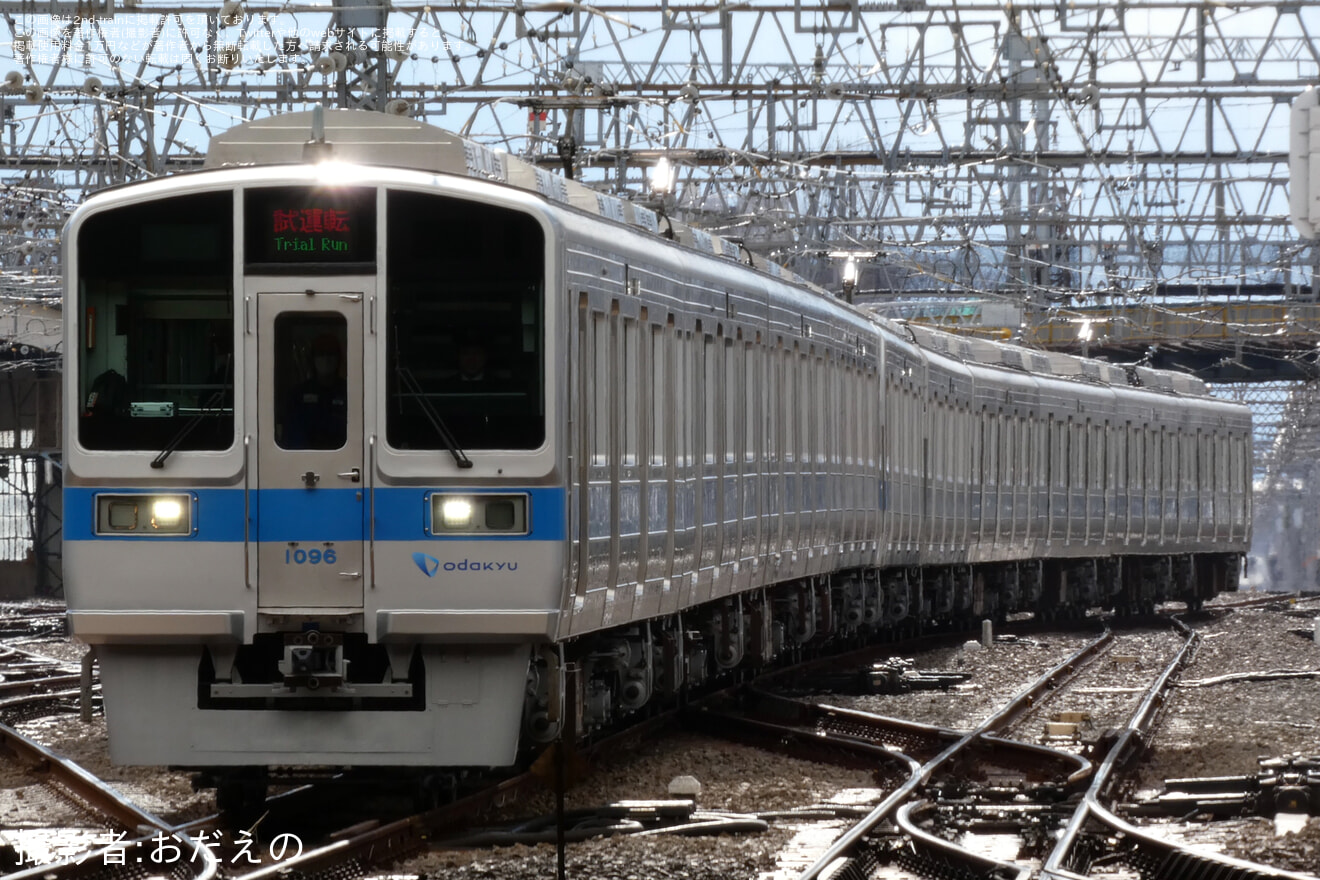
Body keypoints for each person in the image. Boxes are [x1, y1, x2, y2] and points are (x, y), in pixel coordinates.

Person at [283, 332, 347, 449]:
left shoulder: (348, 392)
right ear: (312, 359)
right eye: (321, 354)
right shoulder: (297, 395)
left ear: (338, 359)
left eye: (331, 354)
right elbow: (292, 438)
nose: (326, 359)